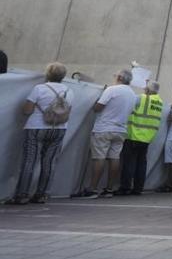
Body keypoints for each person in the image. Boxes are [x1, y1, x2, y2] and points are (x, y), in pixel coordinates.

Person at [4, 62, 72, 205]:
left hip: (36, 128)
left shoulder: (39, 88)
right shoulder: (69, 91)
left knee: (29, 160)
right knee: (49, 162)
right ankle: (42, 194)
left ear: (47, 74)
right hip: (59, 129)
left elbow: (27, 110)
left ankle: (22, 195)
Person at [74, 69, 139, 199]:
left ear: (120, 77)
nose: (114, 77)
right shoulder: (133, 95)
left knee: (99, 158)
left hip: (104, 128)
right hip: (121, 130)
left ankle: (92, 189)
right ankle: (109, 189)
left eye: (115, 75)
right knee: (114, 158)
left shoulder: (111, 90)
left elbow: (98, 107)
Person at [117, 80, 164, 195]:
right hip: (147, 137)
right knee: (141, 163)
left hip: (134, 135)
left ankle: (125, 187)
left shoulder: (142, 98)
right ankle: (138, 188)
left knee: (129, 163)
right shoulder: (159, 102)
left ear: (147, 90)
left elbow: (128, 102)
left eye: (145, 88)